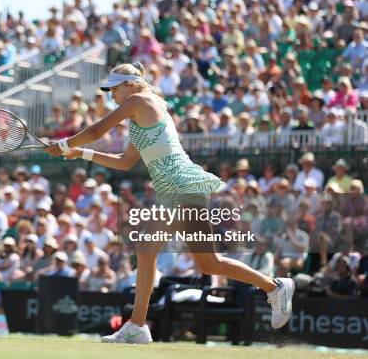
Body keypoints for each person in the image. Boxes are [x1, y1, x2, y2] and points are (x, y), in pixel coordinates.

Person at [45, 62, 294, 344]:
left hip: (183, 186)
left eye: (114, 88)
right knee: (197, 261)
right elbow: (125, 162)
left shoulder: (140, 100)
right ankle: (273, 288)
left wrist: (63, 145)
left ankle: (138, 325)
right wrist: (80, 154)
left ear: (130, 85)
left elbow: (97, 130)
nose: (111, 94)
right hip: (176, 190)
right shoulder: (140, 117)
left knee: (156, 251)